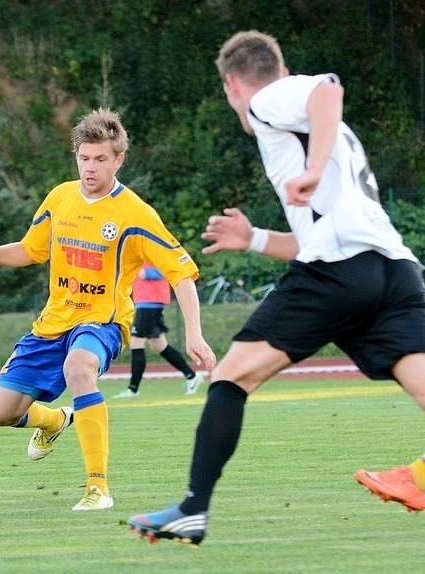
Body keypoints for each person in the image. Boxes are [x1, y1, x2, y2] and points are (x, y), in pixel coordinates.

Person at [127, 30, 425, 546]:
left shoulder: (269, 99)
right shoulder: (321, 132)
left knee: (231, 378)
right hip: (393, 270)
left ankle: (193, 509)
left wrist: (310, 170)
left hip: (338, 272)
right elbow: (318, 232)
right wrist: (255, 238)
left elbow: (327, 87)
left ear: (232, 86)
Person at [0, 108, 216, 511]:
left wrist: (195, 333)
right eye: (84, 158)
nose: (90, 167)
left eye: (100, 159)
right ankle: (54, 420)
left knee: (78, 369)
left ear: (119, 159)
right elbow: (31, 250)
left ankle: (98, 488)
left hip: (103, 322)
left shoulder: (135, 213)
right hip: (52, 324)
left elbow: (181, 274)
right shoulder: (60, 198)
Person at [113, 263, 206, 399]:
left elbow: (169, 267)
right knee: (159, 346)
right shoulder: (137, 248)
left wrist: (146, 273)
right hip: (146, 302)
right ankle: (192, 376)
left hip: (149, 302)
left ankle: (133, 390)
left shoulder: (152, 246)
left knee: (136, 343)